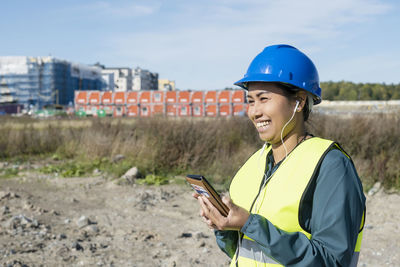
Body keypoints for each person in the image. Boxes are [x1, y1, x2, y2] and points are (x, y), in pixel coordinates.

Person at [193, 44, 365, 266]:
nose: (255, 112)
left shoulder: (330, 165)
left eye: (264, 99)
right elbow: (239, 252)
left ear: (299, 101)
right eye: (250, 101)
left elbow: (331, 260)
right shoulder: (251, 166)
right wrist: (223, 226)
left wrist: (250, 224)